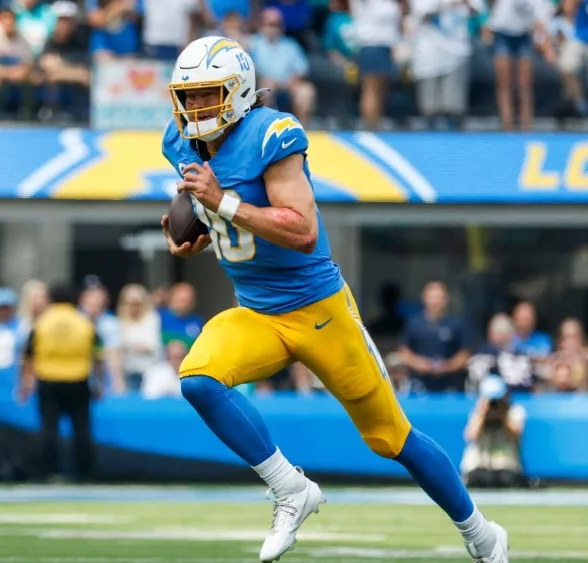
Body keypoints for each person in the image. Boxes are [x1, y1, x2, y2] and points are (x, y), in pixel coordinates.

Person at [160, 36, 509, 563]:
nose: (196, 109)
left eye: (209, 96)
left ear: (238, 92)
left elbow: (300, 230)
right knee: (199, 381)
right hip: (256, 310)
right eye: (189, 97)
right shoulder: (181, 142)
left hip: (318, 309)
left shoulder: (269, 134)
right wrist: (190, 232)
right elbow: (208, 216)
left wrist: (223, 203)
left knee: (391, 438)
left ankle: (482, 534)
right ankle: (289, 488)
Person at [20, 284, 102, 483]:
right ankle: (84, 472)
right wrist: (99, 382)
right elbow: (98, 354)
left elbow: (29, 354)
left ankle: (46, 471)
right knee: (81, 430)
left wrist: (24, 382)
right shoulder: (84, 322)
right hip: (78, 379)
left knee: (49, 430)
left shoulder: (42, 322)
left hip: (48, 380)